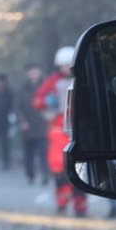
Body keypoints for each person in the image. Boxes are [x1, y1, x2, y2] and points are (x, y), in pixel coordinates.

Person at [35, 46, 88, 216]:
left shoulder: (84, 80)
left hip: (79, 130)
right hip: (58, 130)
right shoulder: (52, 82)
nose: (66, 68)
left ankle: (80, 206)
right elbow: (38, 100)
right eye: (63, 65)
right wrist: (47, 109)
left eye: (69, 65)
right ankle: (62, 203)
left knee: (80, 170)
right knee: (58, 169)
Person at [17, 64, 48, 185]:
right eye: (31, 71)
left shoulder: (47, 85)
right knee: (28, 154)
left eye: (35, 71)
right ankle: (30, 174)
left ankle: (44, 174)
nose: (33, 73)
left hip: (43, 125)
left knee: (44, 152)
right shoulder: (22, 89)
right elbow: (17, 107)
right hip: (28, 126)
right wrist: (22, 121)